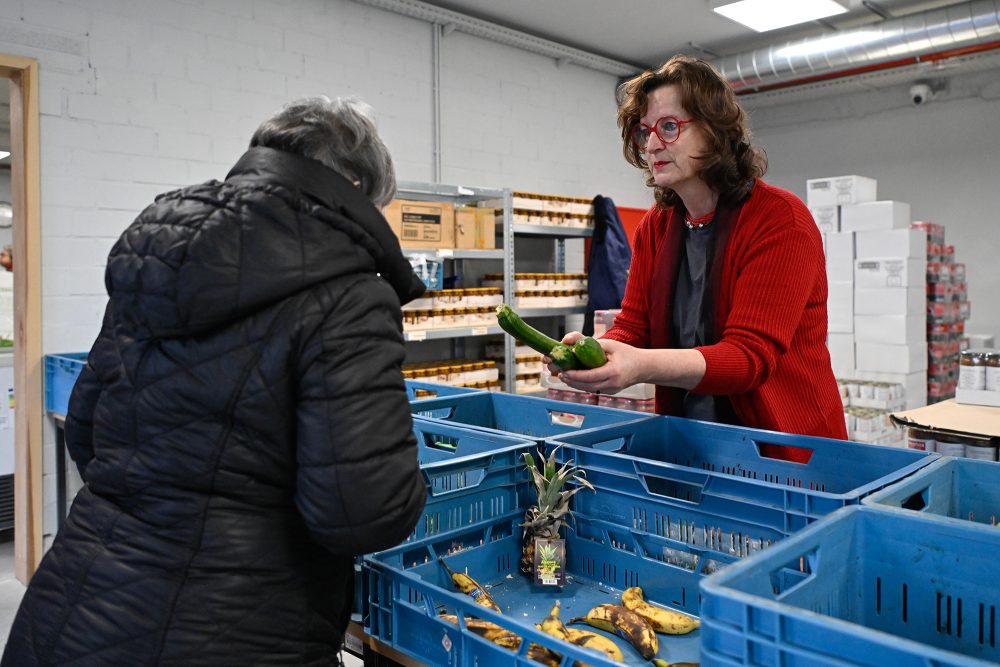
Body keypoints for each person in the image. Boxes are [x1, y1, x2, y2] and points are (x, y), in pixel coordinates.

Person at [2, 96, 428, 666]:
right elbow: (361, 512)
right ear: (353, 186)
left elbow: (87, 429)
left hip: (79, 600)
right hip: (241, 621)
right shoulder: (351, 294)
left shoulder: (158, 254)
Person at [553, 55, 847, 443]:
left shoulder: (781, 221)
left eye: (670, 127)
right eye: (644, 132)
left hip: (787, 447)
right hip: (693, 440)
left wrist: (639, 364)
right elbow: (634, 325)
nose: (653, 144)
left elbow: (748, 358)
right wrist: (598, 351)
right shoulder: (656, 227)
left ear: (713, 131)